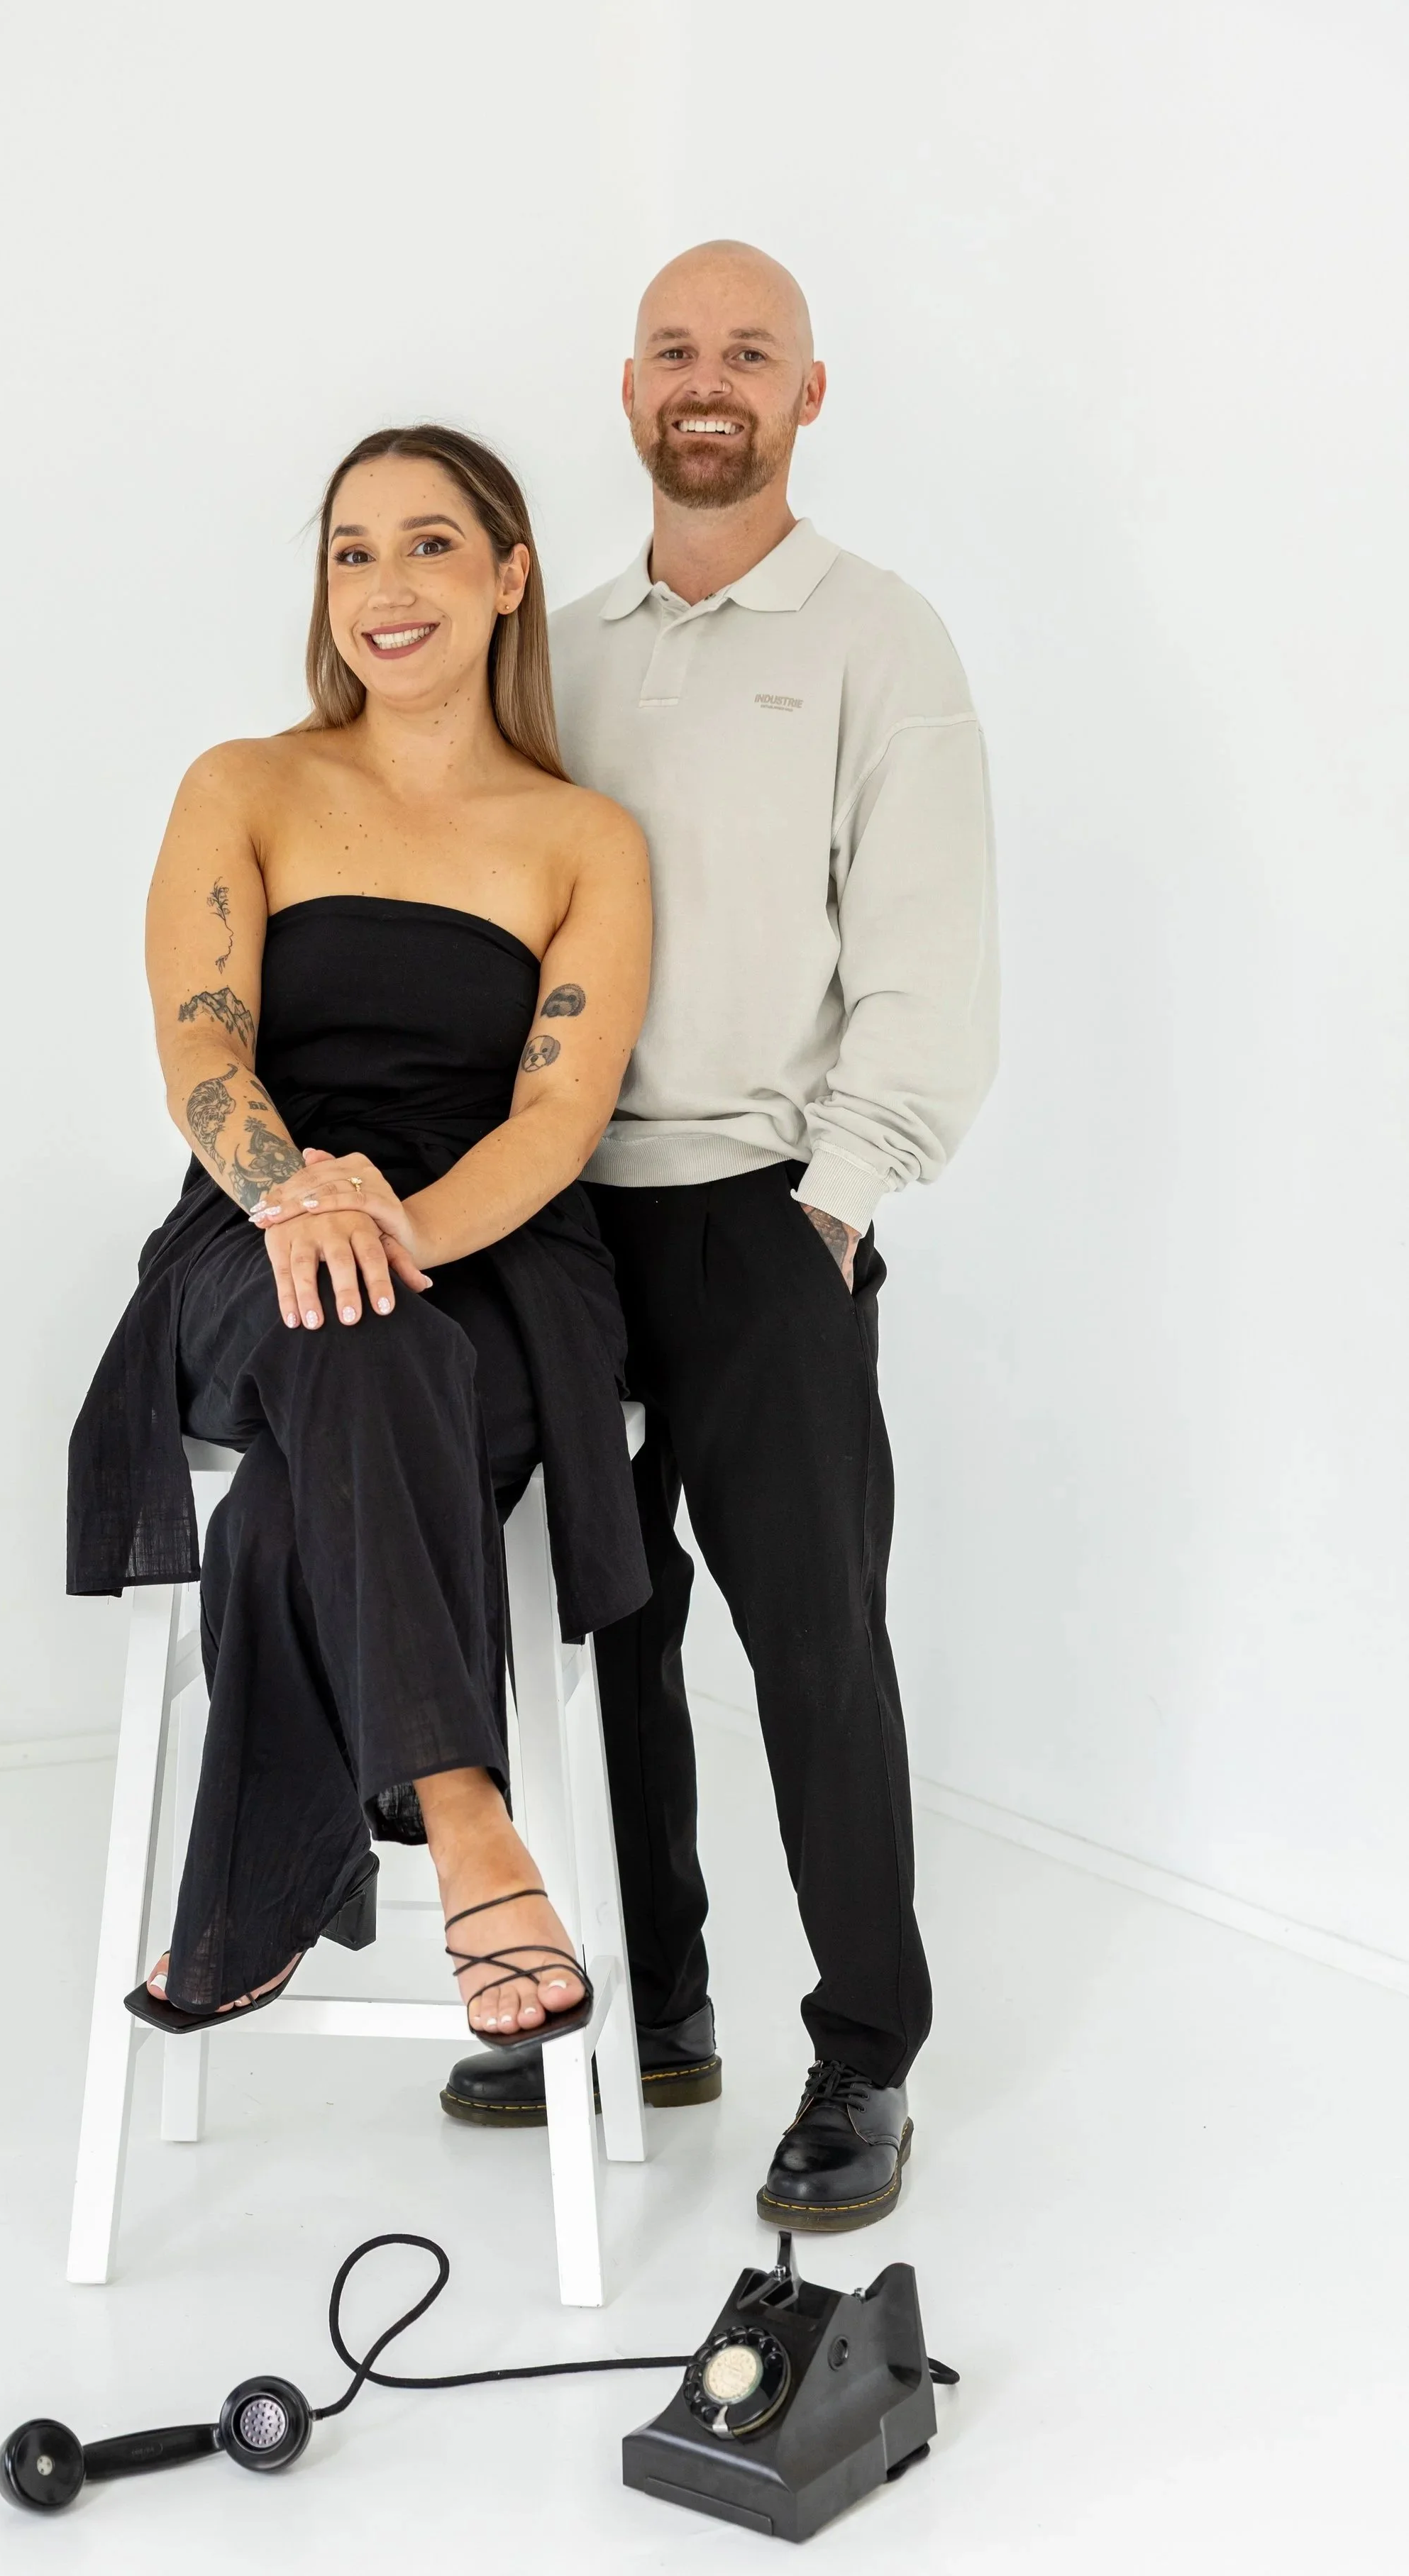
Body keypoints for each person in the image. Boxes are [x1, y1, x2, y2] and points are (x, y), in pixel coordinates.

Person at [440, 244, 998, 2233]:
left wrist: (838, 1204)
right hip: (563, 1218)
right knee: (606, 1628)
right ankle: (653, 2007)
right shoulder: (556, 647)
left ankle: (862, 2056)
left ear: (805, 395)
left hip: (770, 1214)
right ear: (624, 389)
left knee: (812, 1642)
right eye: (676, 350)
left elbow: (928, 962)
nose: (708, 383)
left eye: (745, 354)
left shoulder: (875, 639)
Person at [67, 425, 652, 2045]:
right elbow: (201, 1042)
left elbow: (554, 1123)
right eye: (349, 551)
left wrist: (389, 1227)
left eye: (427, 546)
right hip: (245, 1238)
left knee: (341, 1401)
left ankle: (278, 1861)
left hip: (496, 1262)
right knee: (347, 1331)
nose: (383, 588)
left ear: (507, 576)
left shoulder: (580, 838)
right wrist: (292, 1194)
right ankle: (468, 1823)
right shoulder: (245, 784)